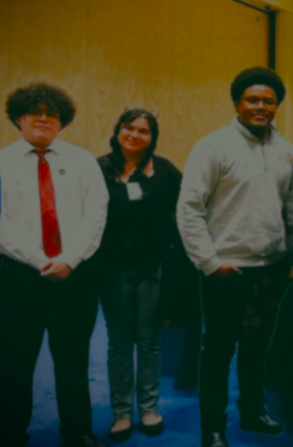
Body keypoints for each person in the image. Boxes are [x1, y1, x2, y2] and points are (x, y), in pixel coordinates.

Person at [177, 67, 293, 447]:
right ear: (237, 102)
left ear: (277, 105)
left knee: (256, 346)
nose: (261, 106)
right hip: (226, 271)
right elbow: (189, 209)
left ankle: (252, 411)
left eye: (268, 100)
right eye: (253, 99)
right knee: (218, 350)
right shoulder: (213, 146)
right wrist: (210, 263)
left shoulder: (286, 149)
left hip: (271, 270)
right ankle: (213, 427)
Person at [0, 83, 109, 447]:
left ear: (62, 120)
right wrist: (38, 260)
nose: (43, 118)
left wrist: (68, 259)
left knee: (73, 358)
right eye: (34, 111)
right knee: (15, 361)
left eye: (51, 112)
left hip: (75, 277)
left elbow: (96, 216)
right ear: (18, 118)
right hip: (18, 278)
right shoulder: (1, 163)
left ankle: (77, 431)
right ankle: (11, 432)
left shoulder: (84, 162)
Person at [95, 108, 182, 441]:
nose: (134, 135)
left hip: (154, 269)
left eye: (143, 130)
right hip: (111, 269)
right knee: (119, 341)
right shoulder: (99, 169)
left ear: (152, 136)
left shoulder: (165, 171)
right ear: (118, 131)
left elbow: (186, 210)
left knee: (150, 342)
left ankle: (148, 408)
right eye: (128, 128)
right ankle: (121, 413)